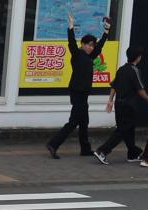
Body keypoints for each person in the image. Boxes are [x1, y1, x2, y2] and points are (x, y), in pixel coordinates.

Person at [47, 18, 109, 158]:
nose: (92, 48)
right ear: (83, 44)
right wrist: (70, 27)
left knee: (84, 121)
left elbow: (100, 47)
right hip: (77, 92)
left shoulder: (90, 56)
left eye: (93, 45)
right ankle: (53, 144)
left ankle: (85, 149)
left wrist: (106, 32)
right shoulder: (77, 54)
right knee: (74, 121)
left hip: (84, 93)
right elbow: (71, 43)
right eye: (89, 45)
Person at [95, 44, 148, 162]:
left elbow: (113, 86)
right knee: (122, 130)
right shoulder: (135, 71)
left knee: (129, 129)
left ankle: (132, 153)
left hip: (119, 104)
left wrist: (110, 100)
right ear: (138, 58)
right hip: (129, 105)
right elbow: (140, 89)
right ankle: (103, 150)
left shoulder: (121, 69)